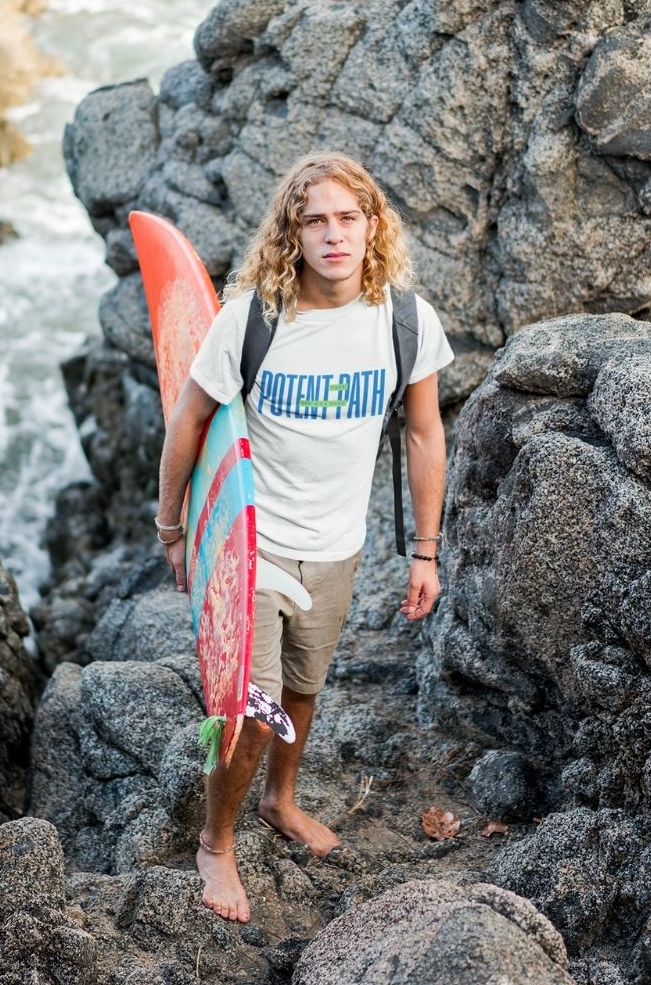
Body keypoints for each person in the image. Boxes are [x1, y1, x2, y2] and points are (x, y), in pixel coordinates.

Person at [155, 150, 453, 923]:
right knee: (252, 708)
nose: (332, 235)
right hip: (253, 544)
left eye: (347, 218)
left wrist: (425, 551)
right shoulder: (255, 315)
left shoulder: (405, 321)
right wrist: (175, 527)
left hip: (337, 547)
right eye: (314, 220)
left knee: (303, 689)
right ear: (292, 233)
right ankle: (216, 841)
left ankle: (279, 801)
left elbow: (424, 435)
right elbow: (189, 420)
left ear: (371, 226)